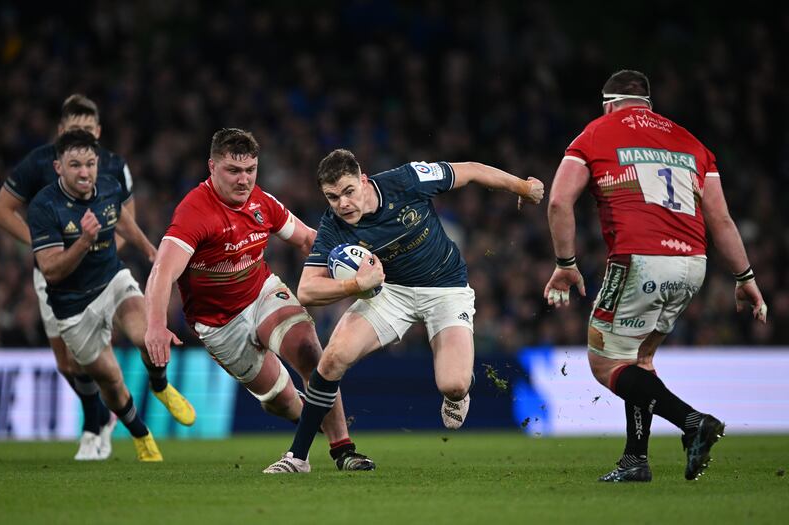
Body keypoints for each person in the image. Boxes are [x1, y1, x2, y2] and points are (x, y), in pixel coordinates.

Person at [543, 69, 768, 482]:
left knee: (605, 362)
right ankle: (635, 461)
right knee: (639, 359)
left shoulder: (595, 132)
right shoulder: (692, 143)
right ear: (648, 104)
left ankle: (693, 421)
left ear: (609, 103)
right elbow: (720, 218)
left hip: (638, 259)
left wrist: (565, 264)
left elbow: (559, 201)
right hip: (692, 264)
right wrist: (745, 277)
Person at [263, 148, 544, 473]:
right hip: (391, 291)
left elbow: (469, 169)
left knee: (453, 383)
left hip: (446, 289)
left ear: (363, 180)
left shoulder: (407, 181)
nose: (343, 204)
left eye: (348, 191)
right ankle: (297, 457)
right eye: (332, 197)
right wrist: (355, 285)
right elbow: (306, 289)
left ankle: (458, 392)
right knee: (332, 358)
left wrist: (522, 188)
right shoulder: (333, 225)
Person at [144, 128, 374, 472]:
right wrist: (155, 326)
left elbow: (307, 239)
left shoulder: (262, 202)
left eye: (250, 170)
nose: (243, 179)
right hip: (220, 325)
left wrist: (357, 261)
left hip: (262, 293)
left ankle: (342, 450)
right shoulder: (194, 212)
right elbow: (162, 271)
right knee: (280, 403)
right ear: (212, 167)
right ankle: (319, 419)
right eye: (233, 171)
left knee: (309, 351)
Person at [0, 94, 194, 460]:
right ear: (58, 163)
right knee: (103, 377)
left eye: (89, 161)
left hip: (110, 277)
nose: (84, 170)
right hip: (69, 300)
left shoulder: (111, 176)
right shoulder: (42, 201)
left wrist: (150, 250)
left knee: (147, 335)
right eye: (75, 162)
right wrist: (66, 243)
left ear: (97, 143)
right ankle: (133, 430)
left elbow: (122, 218)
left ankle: (160, 387)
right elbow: (50, 268)